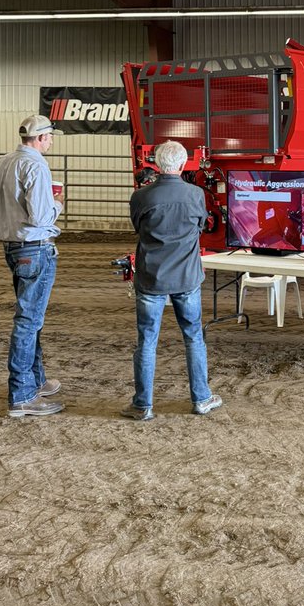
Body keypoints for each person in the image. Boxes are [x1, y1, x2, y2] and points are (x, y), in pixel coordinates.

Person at [123, 139, 222, 420]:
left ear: (156, 163)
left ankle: (143, 405)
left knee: (147, 341)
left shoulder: (141, 197)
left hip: (151, 277)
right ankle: (201, 398)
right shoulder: (196, 195)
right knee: (193, 338)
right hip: (187, 277)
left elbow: (137, 228)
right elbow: (201, 227)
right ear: (182, 165)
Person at [0, 114, 66, 417]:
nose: (50, 141)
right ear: (42, 138)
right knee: (28, 320)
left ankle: (36, 380)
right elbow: (40, 216)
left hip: (12, 246)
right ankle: (22, 394)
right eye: (50, 137)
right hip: (34, 247)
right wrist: (57, 204)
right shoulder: (36, 165)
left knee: (30, 316)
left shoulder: (2, 163)